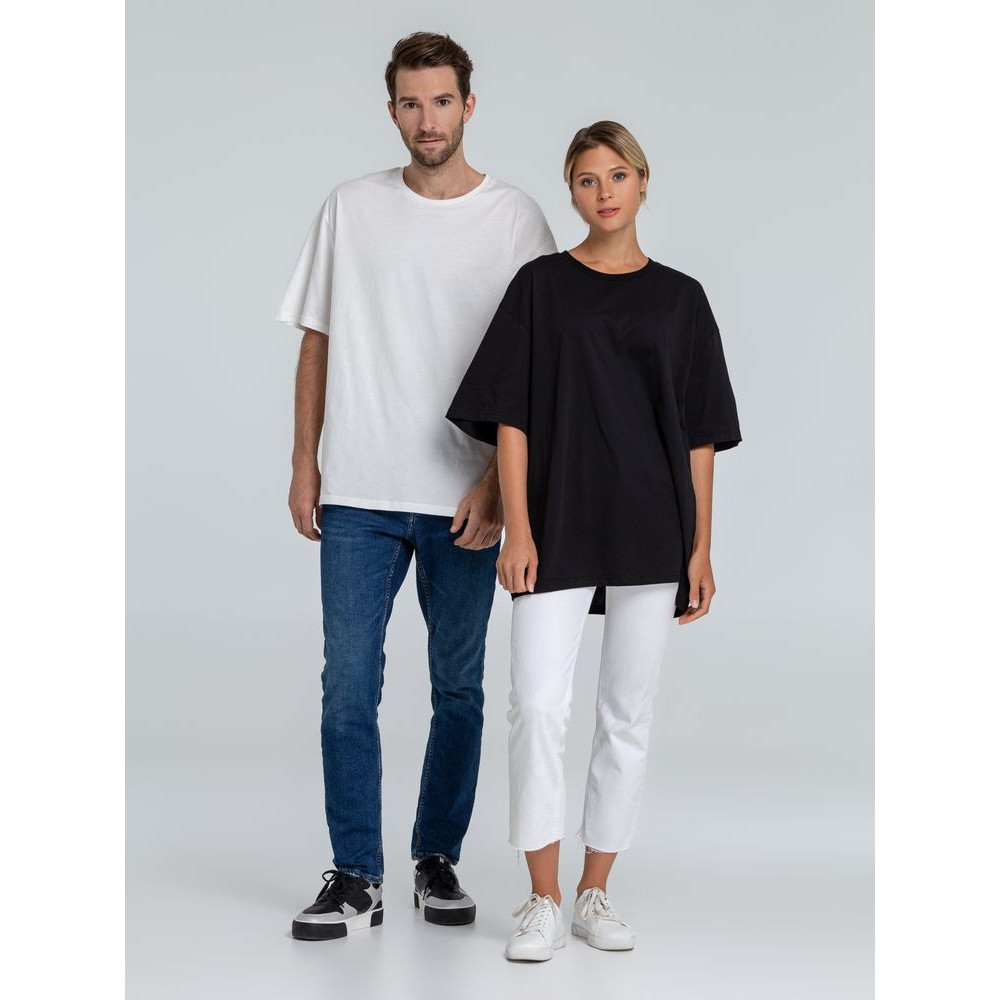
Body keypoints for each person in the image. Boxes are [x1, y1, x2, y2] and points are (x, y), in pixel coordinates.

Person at [274, 31, 556, 941]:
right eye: (410, 103)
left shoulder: (515, 219)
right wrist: (305, 461)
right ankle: (357, 874)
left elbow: (539, 368)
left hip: (463, 498)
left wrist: (498, 485)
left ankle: (436, 858)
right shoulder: (351, 207)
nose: (427, 120)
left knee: (458, 688)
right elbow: (316, 338)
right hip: (358, 491)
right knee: (346, 688)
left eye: (441, 101)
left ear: (469, 105)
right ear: (391, 109)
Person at [445, 121, 743, 961]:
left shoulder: (681, 300)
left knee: (627, 714)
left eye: (617, 175)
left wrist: (700, 548)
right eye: (586, 179)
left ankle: (593, 891)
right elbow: (511, 415)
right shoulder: (540, 287)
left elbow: (700, 434)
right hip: (558, 520)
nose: (603, 191)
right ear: (571, 192)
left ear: (644, 182)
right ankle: (540, 897)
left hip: (652, 526)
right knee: (537, 705)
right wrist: (519, 526)